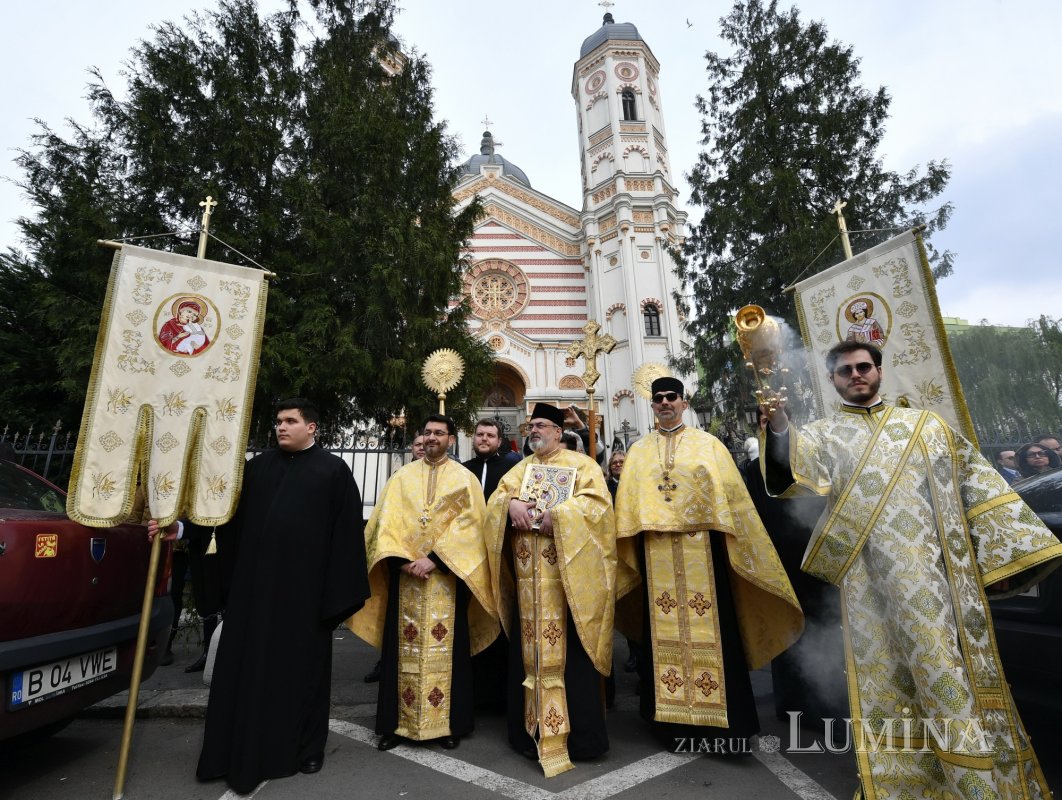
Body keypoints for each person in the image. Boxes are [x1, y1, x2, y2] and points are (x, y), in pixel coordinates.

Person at [762, 341, 1062, 800]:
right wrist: (780, 425)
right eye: (845, 370)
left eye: (864, 366)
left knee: (947, 673)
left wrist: (1004, 557)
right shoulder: (823, 435)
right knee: (892, 682)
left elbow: (977, 486)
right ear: (833, 380)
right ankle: (910, 785)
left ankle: (977, 783)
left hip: (941, 581)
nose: (856, 374)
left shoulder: (928, 427)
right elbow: (793, 479)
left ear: (879, 371)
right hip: (870, 589)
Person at [175, 398, 371, 794]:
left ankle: (307, 749)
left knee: (303, 676)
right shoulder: (257, 468)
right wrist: (181, 530)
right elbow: (223, 520)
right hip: (254, 592)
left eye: (290, 421)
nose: (281, 427)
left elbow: (346, 538)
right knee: (247, 671)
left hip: (305, 597)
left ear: (311, 427)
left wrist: (333, 599)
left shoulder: (333, 471)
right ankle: (234, 749)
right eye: (278, 421)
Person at [615, 377, 802, 753]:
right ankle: (670, 724)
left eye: (671, 397)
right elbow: (628, 507)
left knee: (717, 634)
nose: (665, 403)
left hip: (705, 555)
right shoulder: (638, 451)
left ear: (683, 403)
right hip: (655, 557)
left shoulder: (709, 445)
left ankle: (724, 727)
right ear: (652, 405)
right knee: (660, 638)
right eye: (658, 398)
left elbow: (734, 502)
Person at [485, 403, 637, 776]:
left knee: (573, 661)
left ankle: (580, 738)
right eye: (530, 426)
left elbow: (599, 509)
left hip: (569, 588)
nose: (534, 431)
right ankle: (529, 735)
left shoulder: (582, 466)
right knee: (528, 658)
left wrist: (562, 515)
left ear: (557, 430)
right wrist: (510, 505)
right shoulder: (520, 469)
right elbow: (496, 501)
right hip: (528, 591)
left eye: (541, 425)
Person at [349, 415, 498, 751]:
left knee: (449, 651)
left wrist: (436, 559)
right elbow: (386, 522)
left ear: (451, 439)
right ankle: (395, 725)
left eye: (439, 433)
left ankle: (447, 725)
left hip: (447, 579)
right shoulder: (402, 477)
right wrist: (401, 560)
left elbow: (473, 527)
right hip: (405, 579)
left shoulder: (465, 479)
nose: (432, 437)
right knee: (400, 653)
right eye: (427, 432)